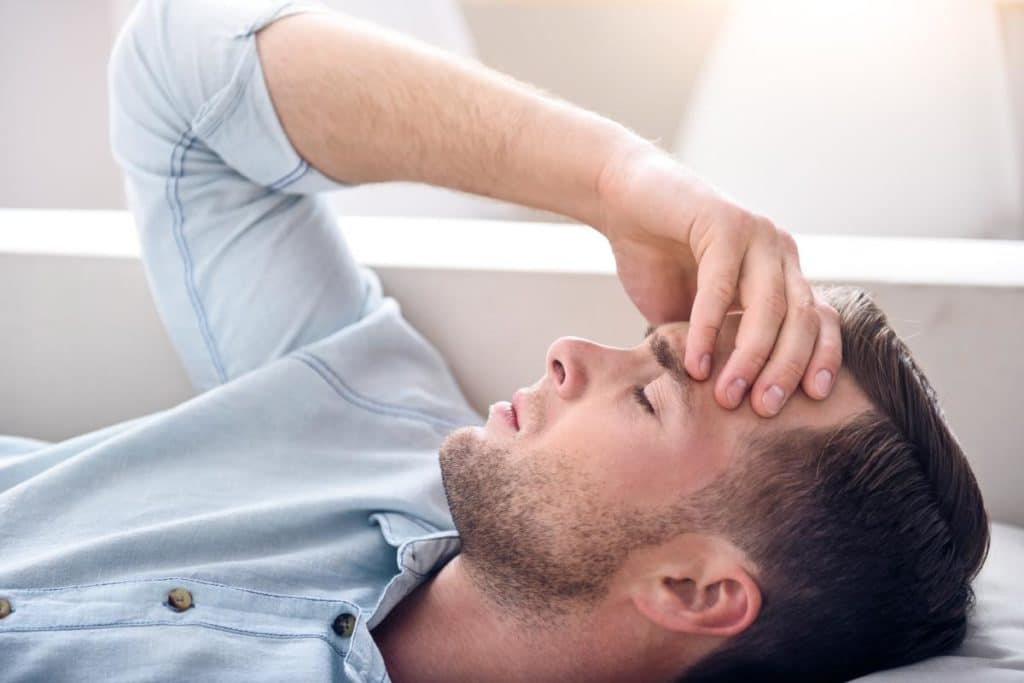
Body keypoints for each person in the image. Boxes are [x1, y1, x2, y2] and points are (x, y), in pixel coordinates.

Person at [0, 1, 988, 682]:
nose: (566, 352)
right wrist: (614, 182)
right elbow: (175, 78)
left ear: (691, 588)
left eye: (650, 393)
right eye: (643, 347)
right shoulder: (367, 409)